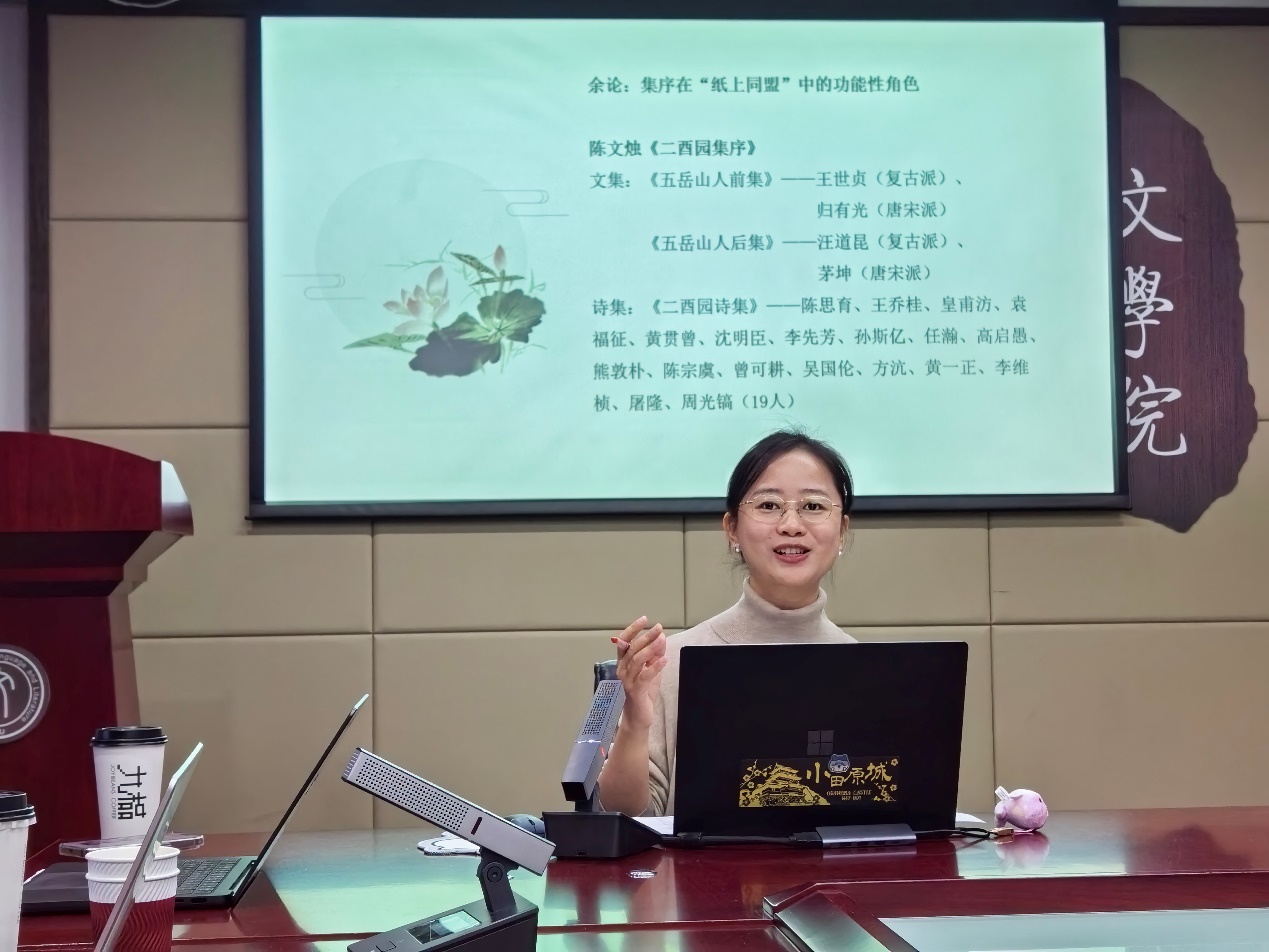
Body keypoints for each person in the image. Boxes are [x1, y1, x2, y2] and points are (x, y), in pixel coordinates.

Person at [596, 429, 856, 817]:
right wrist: (634, 721)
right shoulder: (672, 662)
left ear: (842, 531)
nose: (791, 524)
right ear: (732, 528)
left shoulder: (865, 668)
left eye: (813, 506)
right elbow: (627, 817)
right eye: (769, 505)